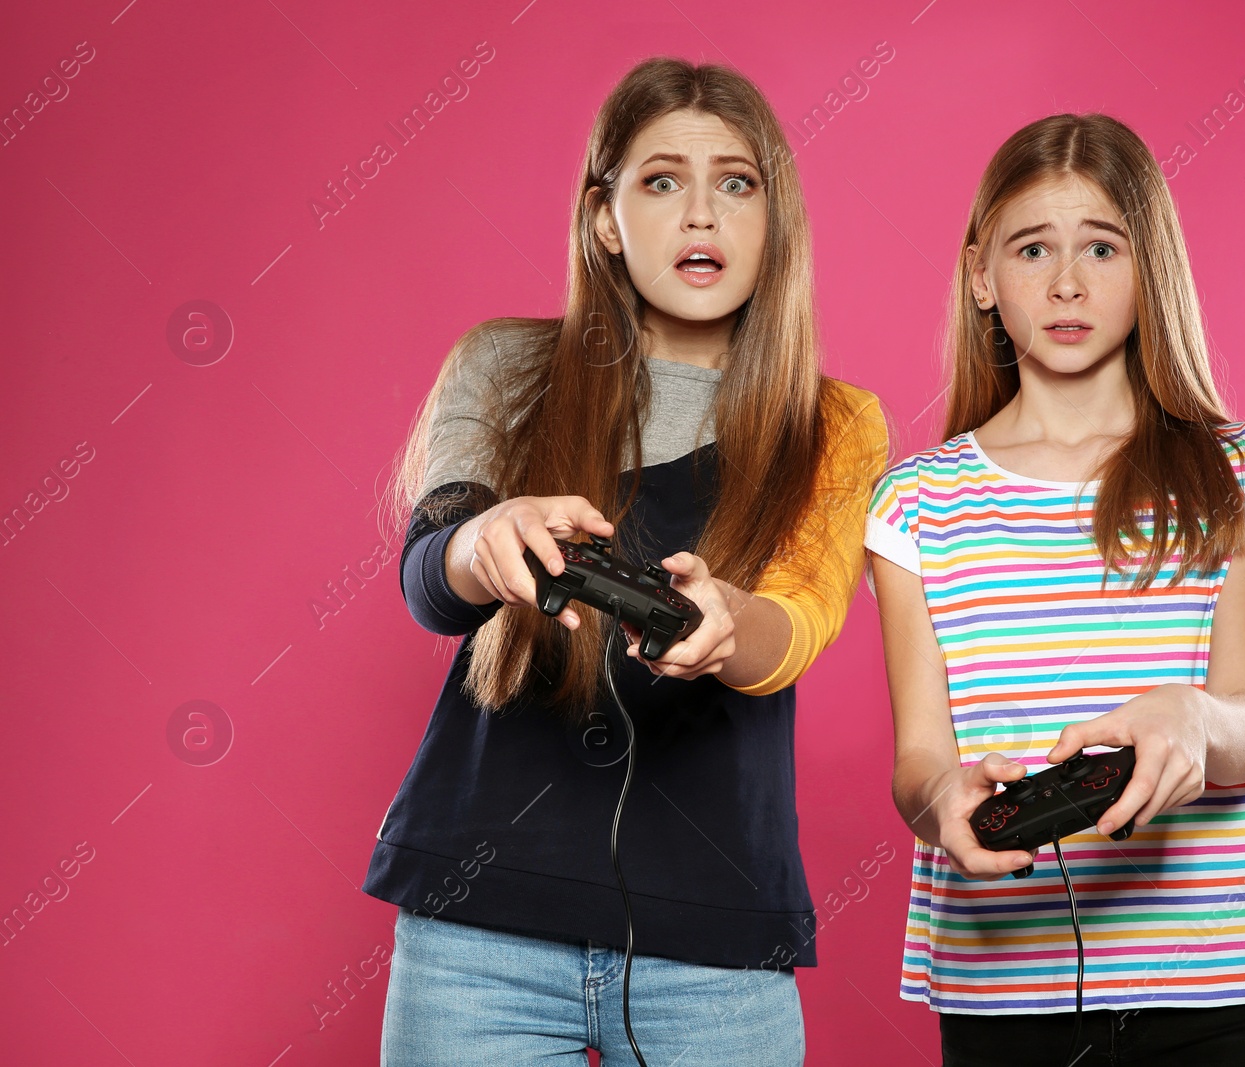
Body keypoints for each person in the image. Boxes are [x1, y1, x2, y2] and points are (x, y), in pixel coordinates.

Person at [362, 56, 888, 1066]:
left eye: (736, 183)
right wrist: (485, 540)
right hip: (477, 940)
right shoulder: (502, 363)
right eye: (661, 181)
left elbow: (798, 622)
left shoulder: (836, 423)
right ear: (606, 219)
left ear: (773, 218)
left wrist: (729, 621)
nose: (701, 215)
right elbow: (431, 570)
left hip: (718, 951)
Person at [864, 113, 1245, 1066]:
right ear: (983, 275)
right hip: (1002, 994)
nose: (1066, 283)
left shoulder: (1241, 473)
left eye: (1102, 247)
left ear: (1147, 267)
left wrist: (1193, 715)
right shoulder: (916, 502)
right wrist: (946, 796)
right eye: (1034, 248)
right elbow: (918, 763)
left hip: (1217, 985)